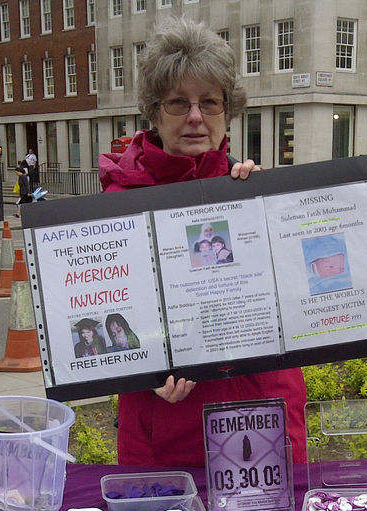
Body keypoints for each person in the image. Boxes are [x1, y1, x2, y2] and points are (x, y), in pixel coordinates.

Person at [98, 16, 307, 467]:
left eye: (209, 102)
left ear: (226, 110)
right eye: (178, 103)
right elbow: (101, 314)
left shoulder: (250, 189)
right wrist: (142, 365)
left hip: (261, 406)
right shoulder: (115, 209)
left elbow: (293, 297)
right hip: (167, 423)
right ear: (154, 112)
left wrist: (273, 221)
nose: (196, 117)